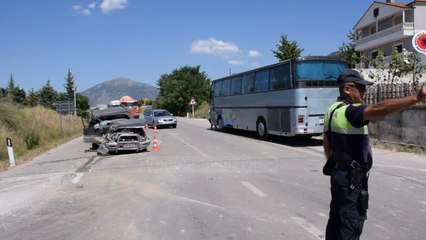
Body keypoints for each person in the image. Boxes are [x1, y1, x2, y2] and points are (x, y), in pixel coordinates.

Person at [323, 69, 426, 240]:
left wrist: (338, 164)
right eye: (361, 88)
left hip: (338, 175)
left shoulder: (332, 110)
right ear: (347, 89)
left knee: (336, 222)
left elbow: (327, 143)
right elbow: (379, 108)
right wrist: (416, 97)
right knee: (350, 225)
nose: (364, 92)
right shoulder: (351, 112)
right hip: (352, 180)